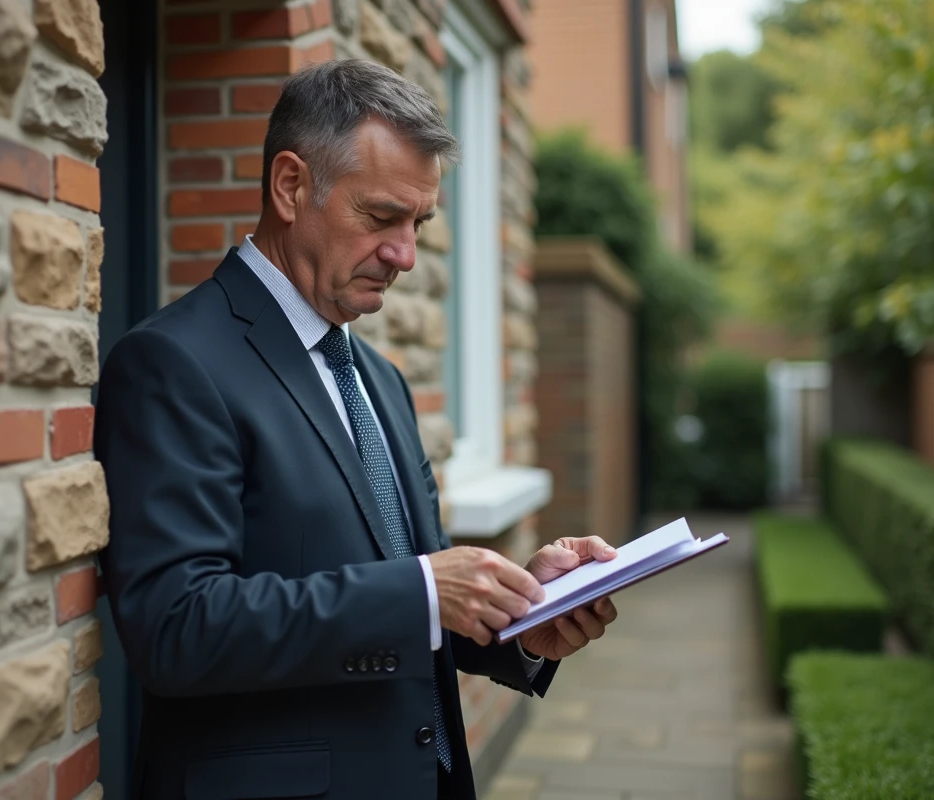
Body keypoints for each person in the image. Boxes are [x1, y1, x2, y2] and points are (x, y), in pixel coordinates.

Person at [94, 58, 619, 800]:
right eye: (380, 219)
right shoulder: (172, 362)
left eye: (419, 224)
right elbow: (177, 627)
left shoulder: (380, 378)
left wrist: (521, 612)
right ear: (290, 186)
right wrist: (424, 592)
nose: (405, 254)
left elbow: (411, 589)